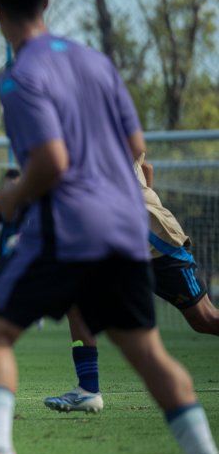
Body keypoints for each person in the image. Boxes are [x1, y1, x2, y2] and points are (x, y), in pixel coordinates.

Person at [0, 0, 219, 454]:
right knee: (149, 349)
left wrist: (11, 197)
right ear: (47, 1)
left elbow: (52, 162)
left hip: (69, 225)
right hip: (128, 223)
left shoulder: (19, 78)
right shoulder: (95, 62)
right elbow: (135, 147)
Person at [45, 154, 219, 414]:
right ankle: (88, 390)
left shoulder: (99, 137)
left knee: (203, 319)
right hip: (121, 248)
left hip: (157, 244)